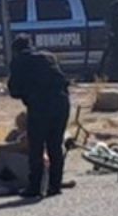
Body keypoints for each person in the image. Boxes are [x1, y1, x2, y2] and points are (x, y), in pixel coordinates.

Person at [7, 34, 71, 198]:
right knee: (55, 145)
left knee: (36, 146)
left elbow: (14, 90)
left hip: (40, 106)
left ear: (15, 50)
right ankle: (54, 186)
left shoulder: (19, 61)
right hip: (61, 102)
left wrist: (26, 92)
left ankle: (35, 187)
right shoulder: (48, 57)